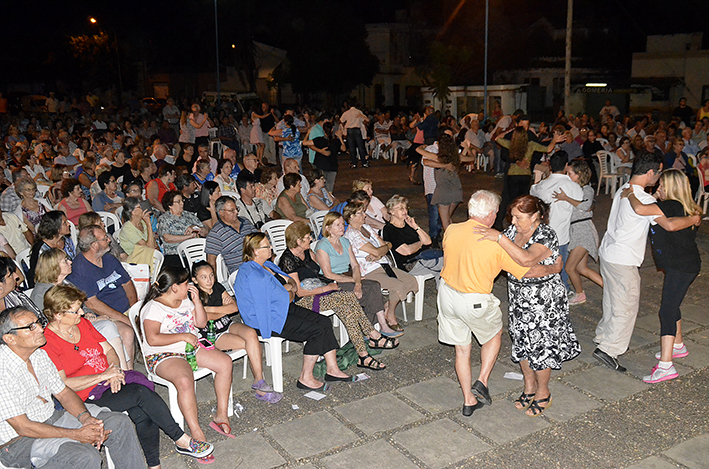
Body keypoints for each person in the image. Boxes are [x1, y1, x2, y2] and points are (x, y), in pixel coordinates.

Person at [42, 285, 214, 467]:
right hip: (86, 396)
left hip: (109, 380)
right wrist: (103, 376)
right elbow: (63, 384)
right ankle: (181, 439)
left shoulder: (81, 324)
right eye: (75, 311)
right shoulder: (48, 343)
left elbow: (108, 350)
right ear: (58, 315)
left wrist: (115, 370)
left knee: (142, 409)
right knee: (140, 394)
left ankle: (154, 465)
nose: (82, 313)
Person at [438, 190, 562, 416]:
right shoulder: (498, 241)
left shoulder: (452, 230)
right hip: (475, 300)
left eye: (517, 217)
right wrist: (554, 268)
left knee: (462, 350)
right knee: (495, 335)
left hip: (447, 296)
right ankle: (482, 380)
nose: (510, 221)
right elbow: (525, 270)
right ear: (491, 215)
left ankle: (468, 400)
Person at [0, 306, 145, 469]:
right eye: (30, 327)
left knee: (118, 423)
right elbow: (22, 426)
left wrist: (85, 418)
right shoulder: (3, 371)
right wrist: (77, 435)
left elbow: (63, 393)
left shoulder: (39, 354)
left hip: (52, 418)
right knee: (84, 456)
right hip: (19, 441)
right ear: (10, 339)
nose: (40, 329)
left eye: (38, 323)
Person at [475, 195, 581, 417]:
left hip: (544, 302)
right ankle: (529, 386)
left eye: (519, 217)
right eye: (512, 216)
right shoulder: (513, 233)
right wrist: (548, 269)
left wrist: (500, 240)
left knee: (541, 346)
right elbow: (506, 263)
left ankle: (544, 393)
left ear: (535, 216)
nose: (513, 222)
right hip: (519, 299)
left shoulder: (545, 234)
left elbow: (525, 262)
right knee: (522, 342)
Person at [594, 152, 700, 372]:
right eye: (658, 173)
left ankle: (603, 336)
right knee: (626, 305)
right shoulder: (644, 199)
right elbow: (669, 225)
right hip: (623, 258)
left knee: (612, 299)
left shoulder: (624, 189)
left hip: (608, 252)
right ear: (651, 172)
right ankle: (610, 349)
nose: (658, 178)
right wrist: (694, 218)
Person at [235, 233, 354, 390]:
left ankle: (333, 369)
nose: (271, 247)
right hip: (267, 319)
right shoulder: (254, 274)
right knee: (316, 331)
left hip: (279, 309)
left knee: (324, 321)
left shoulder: (267, 265)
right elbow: (288, 296)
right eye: (267, 246)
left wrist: (289, 289)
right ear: (255, 251)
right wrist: (289, 291)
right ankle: (306, 377)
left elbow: (290, 282)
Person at [139, 266, 235, 458]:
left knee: (225, 362)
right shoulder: (154, 308)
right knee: (184, 379)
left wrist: (197, 302)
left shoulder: (185, 300)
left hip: (190, 347)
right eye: (185, 284)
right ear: (174, 287)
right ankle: (195, 430)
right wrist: (183, 336)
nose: (189, 286)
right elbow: (153, 339)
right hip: (163, 354)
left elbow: (200, 323)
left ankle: (221, 414)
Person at [279, 222, 398, 370]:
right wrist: (326, 288)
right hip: (305, 300)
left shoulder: (308, 252)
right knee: (348, 297)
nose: (311, 239)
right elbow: (299, 292)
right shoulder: (287, 260)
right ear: (298, 241)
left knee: (348, 311)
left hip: (323, 290)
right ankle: (372, 334)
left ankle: (363, 356)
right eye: (307, 237)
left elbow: (322, 272)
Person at [621, 170, 701, 383]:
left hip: (681, 266)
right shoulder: (684, 206)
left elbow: (639, 209)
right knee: (672, 303)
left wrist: (629, 193)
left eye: (662, 186)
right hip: (684, 264)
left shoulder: (669, 206)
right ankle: (678, 345)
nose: (658, 189)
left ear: (672, 188)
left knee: (666, 310)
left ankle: (666, 366)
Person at [190, 261, 281, 402]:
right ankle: (260, 387)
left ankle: (259, 380)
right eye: (203, 277)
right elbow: (204, 318)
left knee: (251, 334)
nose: (209, 280)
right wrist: (219, 310)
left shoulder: (218, 287)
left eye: (211, 276)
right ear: (195, 280)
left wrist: (210, 309)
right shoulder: (195, 296)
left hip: (227, 324)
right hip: (213, 334)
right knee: (248, 344)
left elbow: (234, 308)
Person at [315, 212, 400, 337]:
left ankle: (382, 326)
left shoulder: (344, 242)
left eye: (342, 224)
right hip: (334, 280)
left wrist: (358, 282)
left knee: (374, 286)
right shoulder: (323, 246)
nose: (341, 227)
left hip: (348, 275)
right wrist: (352, 280)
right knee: (369, 295)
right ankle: (369, 330)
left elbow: (355, 265)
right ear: (328, 228)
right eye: (337, 225)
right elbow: (329, 274)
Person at [67, 225, 137, 369]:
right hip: (106, 316)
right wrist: (126, 319)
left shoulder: (109, 259)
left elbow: (128, 284)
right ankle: (129, 372)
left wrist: (135, 310)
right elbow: (93, 304)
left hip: (127, 309)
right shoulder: (79, 269)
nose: (109, 240)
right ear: (94, 245)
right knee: (127, 332)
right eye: (104, 238)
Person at [343, 203, 418, 333]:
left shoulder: (366, 227)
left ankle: (387, 307)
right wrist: (380, 251)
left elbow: (388, 245)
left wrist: (380, 252)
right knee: (397, 286)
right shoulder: (351, 235)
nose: (364, 215)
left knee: (410, 280)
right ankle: (391, 315)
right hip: (369, 270)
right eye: (360, 213)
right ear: (351, 217)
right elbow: (380, 250)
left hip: (383, 264)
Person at [552, 159, 603, 305]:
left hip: (583, 231)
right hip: (577, 231)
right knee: (582, 268)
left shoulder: (586, 189)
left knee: (569, 267)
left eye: (570, 173)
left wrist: (565, 198)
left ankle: (580, 294)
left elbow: (585, 205)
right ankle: (610, 288)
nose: (567, 176)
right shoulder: (575, 188)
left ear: (579, 174)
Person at [529, 151, 583, 290]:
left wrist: (538, 177)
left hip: (543, 233)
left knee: (544, 266)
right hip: (561, 235)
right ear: (566, 166)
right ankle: (562, 292)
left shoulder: (543, 185)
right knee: (560, 266)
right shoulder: (573, 186)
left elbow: (532, 192)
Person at [382, 195, 443, 281]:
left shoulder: (408, 225)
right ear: (391, 211)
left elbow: (428, 241)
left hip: (422, 259)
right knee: (447, 261)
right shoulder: (389, 229)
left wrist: (415, 227)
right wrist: (421, 243)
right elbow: (407, 251)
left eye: (405, 208)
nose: (405, 211)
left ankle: (443, 292)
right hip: (409, 264)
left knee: (448, 259)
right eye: (400, 208)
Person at [205, 196, 257, 275]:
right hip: (241, 272)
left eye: (236, 209)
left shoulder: (245, 221)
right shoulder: (216, 233)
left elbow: (259, 239)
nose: (236, 212)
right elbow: (211, 261)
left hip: (259, 264)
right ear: (221, 212)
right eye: (232, 210)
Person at [157, 190, 207, 268]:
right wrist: (189, 237)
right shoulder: (164, 219)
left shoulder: (189, 215)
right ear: (170, 205)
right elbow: (167, 238)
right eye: (178, 201)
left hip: (195, 252)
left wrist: (195, 227)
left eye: (182, 200)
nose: (182, 203)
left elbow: (205, 232)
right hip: (175, 254)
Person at [119, 196, 158, 266]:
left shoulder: (142, 222)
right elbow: (150, 247)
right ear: (133, 212)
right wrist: (149, 224)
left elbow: (153, 243)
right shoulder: (128, 228)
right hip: (134, 260)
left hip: (145, 256)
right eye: (139, 207)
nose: (143, 208)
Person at [340, 103, 369, 168]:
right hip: (357, 129)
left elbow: (341, 120)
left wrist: (344, 128)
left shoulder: (346, 112)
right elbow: (365, 120)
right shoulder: (358, 112)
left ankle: (354, 163)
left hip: (349, 130)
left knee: (352, 147)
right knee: (360, 146)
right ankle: (364, 162)